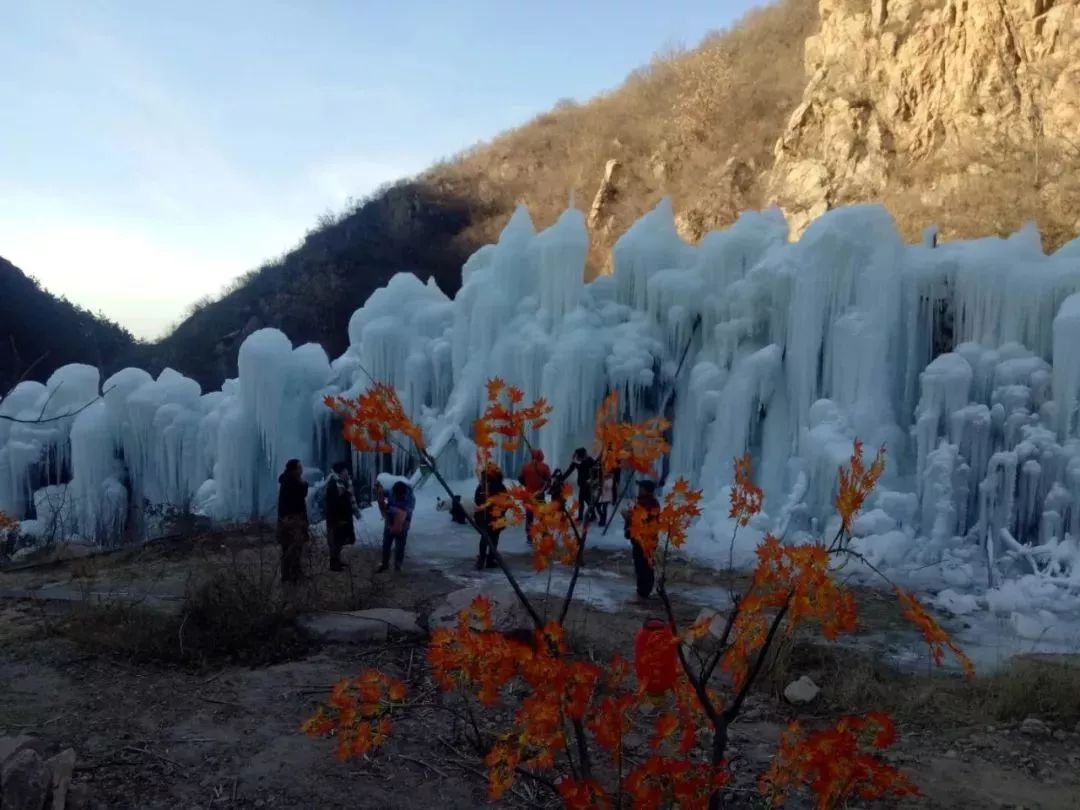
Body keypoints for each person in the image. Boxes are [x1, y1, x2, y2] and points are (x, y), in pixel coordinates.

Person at [622, 479, 660, 601]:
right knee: (645, 565)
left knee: (642, 566)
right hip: (647, 539)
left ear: (645, 490)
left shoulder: (646, 504)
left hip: (643, 539)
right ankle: (644, 590)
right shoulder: (651, 503)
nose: (639, 489)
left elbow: (640, 521)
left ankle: (643, 592)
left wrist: (628, 517)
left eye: (641, 487)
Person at [277, 459, 310, 584]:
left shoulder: (287, 480)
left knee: (288, 548)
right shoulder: (292, 482)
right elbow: (300, 495)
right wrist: (304, 484)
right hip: (293, 521)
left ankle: (288, 575)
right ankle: (293, 575)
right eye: (300, 468)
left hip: (286, 520)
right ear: (294, 469)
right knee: (294, 548)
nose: (302, 470)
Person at [325, 461, 359, 572]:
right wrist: (347, 494)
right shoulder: (333, 484)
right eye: (345, 472)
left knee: (340, 541)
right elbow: (335, 502)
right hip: (336, 518)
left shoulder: (343, 483)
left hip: (343, 517)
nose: (347, 474)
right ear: (339, 473)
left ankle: (337, 561)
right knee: (335, 541)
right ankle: (333, 564)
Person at [474, 464, 507, 570]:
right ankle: (490, 560)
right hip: (496, 517)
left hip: (483, 516)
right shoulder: (500, 487)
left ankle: (481, 560)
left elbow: (477, 500)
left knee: (484, 538)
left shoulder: (482, 486)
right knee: (494, 538)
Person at [377, 480, 414, 573]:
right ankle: (384, 564)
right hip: (390, 520)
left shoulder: (411, 498)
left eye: (399, 496)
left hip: (403, 520)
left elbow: (407, 512)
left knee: (400, 545)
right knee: (386, 543)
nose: (397, 498)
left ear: (404, 493)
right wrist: (379, 491)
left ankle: (398, 565)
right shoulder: (390, 491)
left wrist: (389, 508)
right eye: (395, 496)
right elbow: (381, 493)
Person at [519, 448, 551, 542]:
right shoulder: (545, 467)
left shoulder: (526, 466)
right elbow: (549, 480)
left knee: (529, 516)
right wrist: (544, 488)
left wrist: (527, 485)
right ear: (541, 456)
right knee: (542, 515)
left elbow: (520, 478)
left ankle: (529, 537)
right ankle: (544, 534)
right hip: (540, 494)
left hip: (529, 494)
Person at [567, 448, 598, 524]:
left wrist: (593, 481)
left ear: (581, 456)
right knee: (585, 500)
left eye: (577, 456)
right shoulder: (584, 461)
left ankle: (588, 516)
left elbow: (596, 472)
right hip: (583, 484)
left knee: (584, 500)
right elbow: (570, 470)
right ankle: (589, 515)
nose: (576, 457)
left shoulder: (588, 462)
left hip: (586, 485)